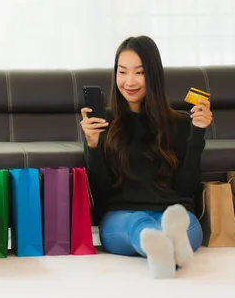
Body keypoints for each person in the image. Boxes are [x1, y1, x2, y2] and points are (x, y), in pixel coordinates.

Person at [80, 35, 212, 279]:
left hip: (173, 211)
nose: (129, 81)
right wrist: (92, 146)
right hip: (122, 216)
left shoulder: (181, 124)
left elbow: (188, 187)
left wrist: (197, 136)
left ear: (153, 75)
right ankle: (169, 247)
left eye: (139, 73)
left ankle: (165, 248)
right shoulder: (102, 124)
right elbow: (100, 193)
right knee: (138, 226)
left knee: (186, 225)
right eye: (122, 72)